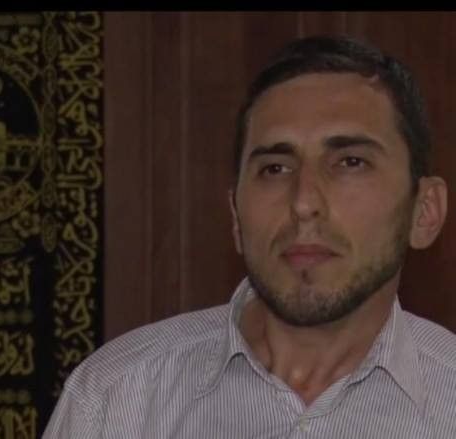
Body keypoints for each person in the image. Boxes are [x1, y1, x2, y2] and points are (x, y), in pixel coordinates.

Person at [43, 35, 456, 438]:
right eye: (275, 169)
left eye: (350, 162)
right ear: (236, 217)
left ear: (424, 211)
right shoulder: (117, 400)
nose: (303, 202)